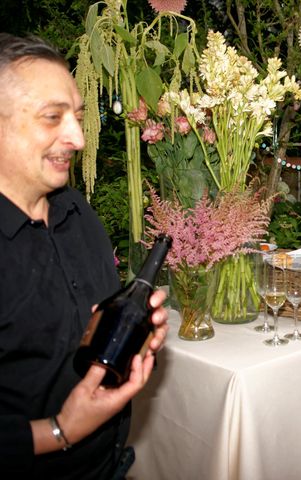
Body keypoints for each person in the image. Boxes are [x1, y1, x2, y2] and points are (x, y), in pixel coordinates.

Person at [0, 33, 169, 479]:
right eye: (52, 117)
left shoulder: (78, 214)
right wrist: (59, 430)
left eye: (76, 116)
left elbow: (81, 339)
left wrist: (131, 339)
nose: (76, 137)